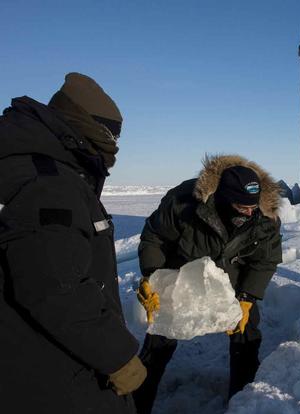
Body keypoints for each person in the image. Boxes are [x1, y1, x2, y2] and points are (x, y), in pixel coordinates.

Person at [0, 73, 146, 413]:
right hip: (51, 371)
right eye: (113, 134)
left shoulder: (23, 167)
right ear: (89, 127)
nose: (116, 146)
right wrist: (117, 356)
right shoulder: (49, 184)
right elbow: (56, 287)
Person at [133, 155, 282, 413]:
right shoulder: (184, 202)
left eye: (253, 207)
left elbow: (264, 260)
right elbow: (154, 237)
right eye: (242, 206)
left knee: (246, 335)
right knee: (160, 337)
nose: (249, 212)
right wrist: (152, 276)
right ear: (223, 197)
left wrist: (247, 297)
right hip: (182, 275)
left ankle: (242, 401)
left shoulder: (264, 215)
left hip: (232, 280)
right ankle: (136, 405)